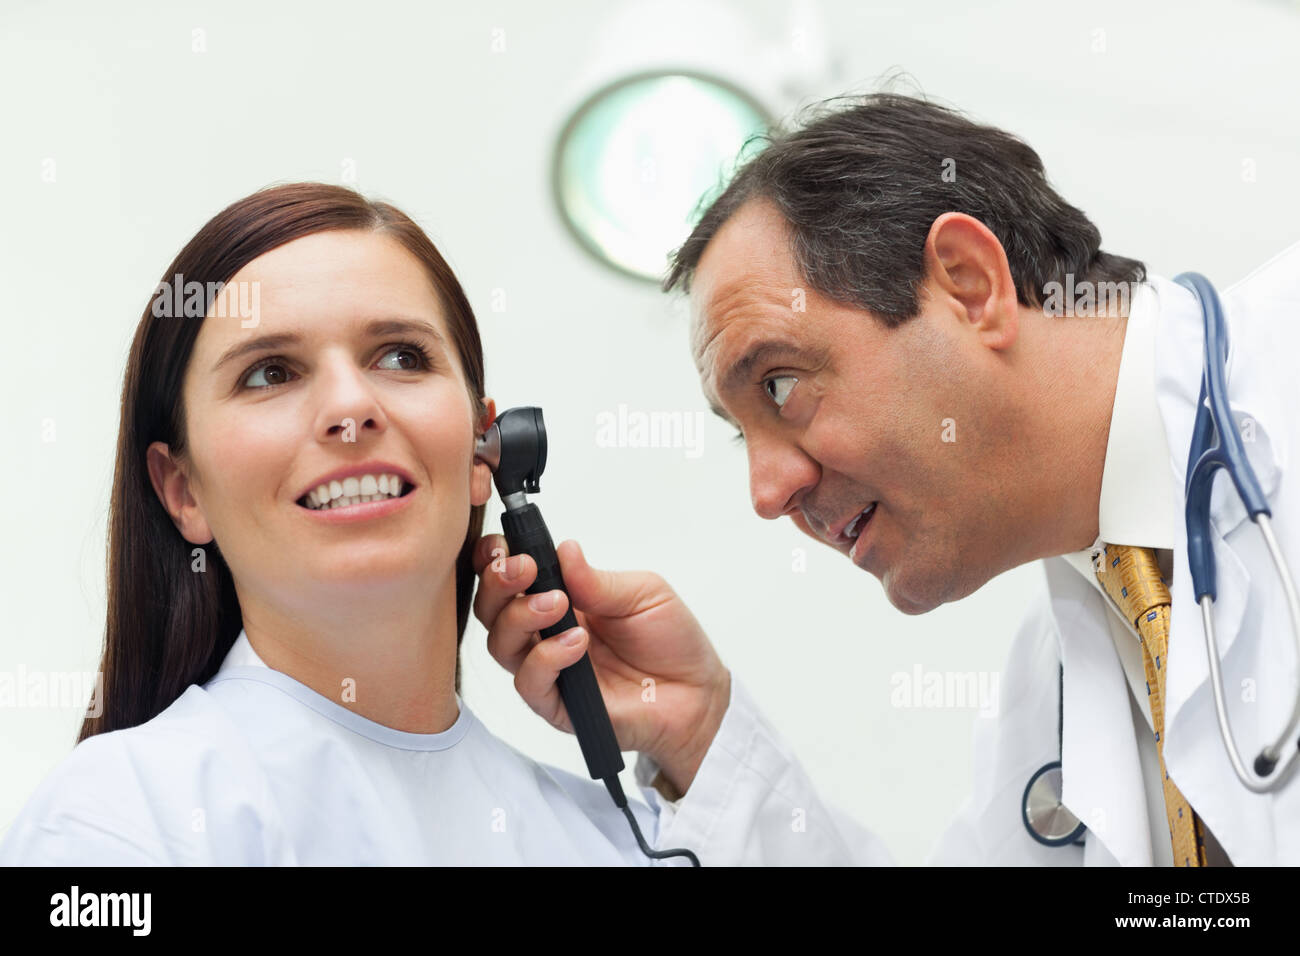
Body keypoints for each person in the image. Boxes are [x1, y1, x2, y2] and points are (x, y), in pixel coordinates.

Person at [472, 93, 1299, 865]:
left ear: (970, 286)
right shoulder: (1056, 686)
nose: (767, 493)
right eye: (742, 438)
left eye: (782, 385)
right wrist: (698, 731)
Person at [0, 182, 697, 866]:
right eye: (270, 372)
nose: (350, 406)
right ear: (184, 491)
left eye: (401, 356)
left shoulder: (617, 841)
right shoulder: (115, 822)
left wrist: (694, 731)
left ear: (484, 450)